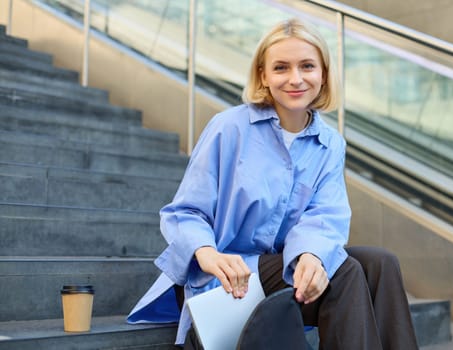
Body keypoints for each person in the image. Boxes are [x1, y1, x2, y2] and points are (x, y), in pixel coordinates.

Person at [127, 18, 419, 350]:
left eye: (307, 66)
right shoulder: (230, 128)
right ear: (263, 75)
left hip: (284, 269)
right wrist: (206, 253)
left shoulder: (330, 144)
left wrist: (311, 254)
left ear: (323, 73)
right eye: (281, 68)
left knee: (381, 263)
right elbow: (185, 212)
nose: (295, 78)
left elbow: (325, 214)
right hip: (226, 274)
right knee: (345, 271)